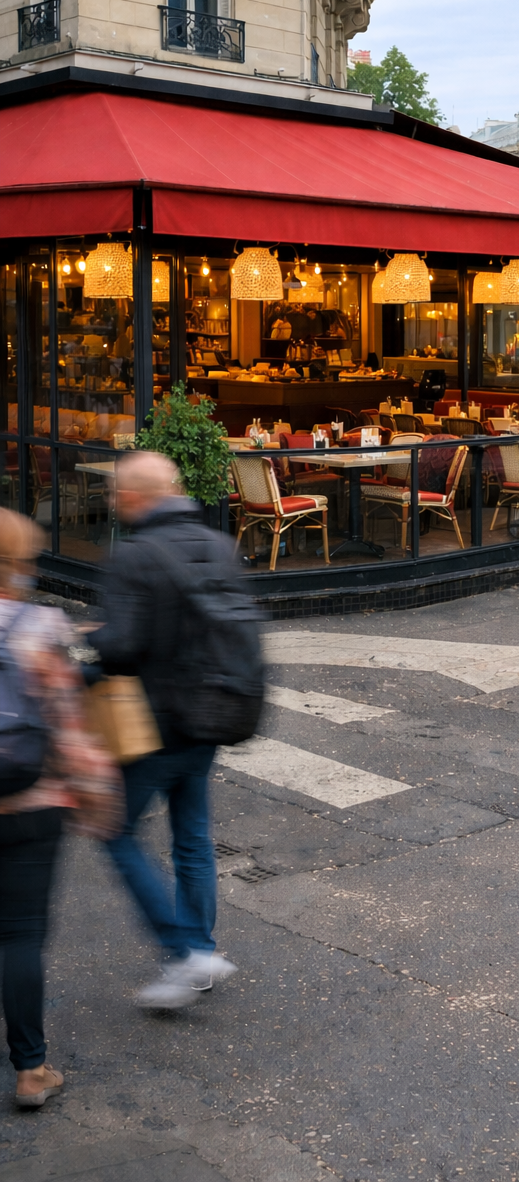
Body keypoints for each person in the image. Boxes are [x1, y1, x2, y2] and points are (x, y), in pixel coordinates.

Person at [87, 452, 240, 1010]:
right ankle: (200, 945)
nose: (112, 502)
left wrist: (93, 644)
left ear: (137, 496)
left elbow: (123, 649)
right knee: (192, 838)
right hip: (211, 714)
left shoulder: (135, 556)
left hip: (153, 724)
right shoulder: (218, 545)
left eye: (116, 493)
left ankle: (185, 951)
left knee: (114, 830)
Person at [0, 512, 121, 1105]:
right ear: (20, 565)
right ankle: (30, 1071)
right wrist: (97, 794)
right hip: (34, 801)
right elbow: (70, 728)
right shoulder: (41, 626)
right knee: (20, 936)